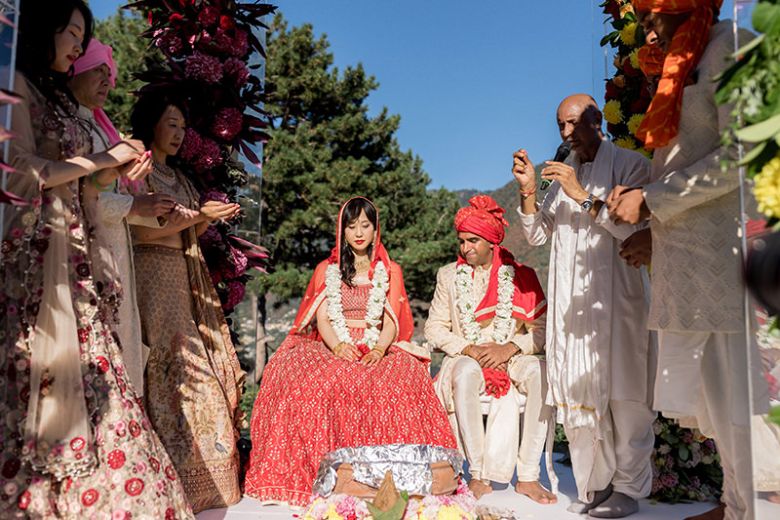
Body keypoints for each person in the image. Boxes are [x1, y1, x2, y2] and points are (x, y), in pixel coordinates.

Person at [0, 1, 192, 517]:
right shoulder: (16, 86)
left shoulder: (58, 100)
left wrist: (112, 173)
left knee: (100, 378)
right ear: (46, 28)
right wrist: (107, 161)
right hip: (38, 258)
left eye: (85, 37)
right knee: (39, 380)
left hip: (81, 256)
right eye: (73, 32)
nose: (79, 45)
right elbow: (19, 171)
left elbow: (89, 187)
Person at [607, 2, 758, 518]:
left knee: (742, 397)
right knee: (716, 398)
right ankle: (735, 501)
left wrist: (652, 201)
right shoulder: (682, 62)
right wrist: (654, 225)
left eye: (654, 14)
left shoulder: (731, 46)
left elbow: (744, 152)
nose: (647, 27)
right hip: (692, 260)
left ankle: (754, 506)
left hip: (730, 259)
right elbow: (688, 160)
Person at [244, 196, 457, 507]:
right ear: (342, 230)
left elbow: (391, 322)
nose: (359, 232)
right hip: (334, 344)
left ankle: (389, 476)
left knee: (402, 380)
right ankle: (317, 475)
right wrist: (339, 345)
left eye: (365, 226)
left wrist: (379, 349)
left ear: (375, 230)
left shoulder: (390, 270)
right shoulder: (325, 269)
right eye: (352, 225)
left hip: (377, 345)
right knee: (311, 385)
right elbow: (323, 318)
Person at [515, 95, 656, 517]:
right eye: (559, 125)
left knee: (627, 397)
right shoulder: (559, 177)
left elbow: (635, 231)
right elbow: (537, 236)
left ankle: (629, 488)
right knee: (577, 394)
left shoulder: (632, 166)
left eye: (573, 123)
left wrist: (580, 195)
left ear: (598, 120)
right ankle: (594, 483)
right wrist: (527, 192)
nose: (565, 134)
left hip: (618, 301)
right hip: (570, 309)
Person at [129, 92, 245, 513]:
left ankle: (205, 484)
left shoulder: (180, 179)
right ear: (151, 124)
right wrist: (202, 216)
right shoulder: (136, 172)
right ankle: (168, 480)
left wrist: (202, 217)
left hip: (181, 275)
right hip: (148, 275)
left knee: (198, 373)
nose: (178, 133)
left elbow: (184, 233)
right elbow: (143, 232)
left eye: (182, 126)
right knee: (166, 367)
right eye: (171, 123)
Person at [424, 195, 556, 504]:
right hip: (465, 356)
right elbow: (434, 328)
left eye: (473, 241)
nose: (465, 248)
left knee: (541, 373)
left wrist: (509, 347)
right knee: (468, 373)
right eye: (462, 241)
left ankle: (528, 477)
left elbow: (543, 329)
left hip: (510, 355)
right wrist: (468, 348)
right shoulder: (448, 276)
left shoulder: (521, 277)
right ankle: (478, 473)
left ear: (492, 244)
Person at [69, 38, 176, 396]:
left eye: (108, 73)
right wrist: (133, 206)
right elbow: (76, 196)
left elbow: (112, 194)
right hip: (84, 253)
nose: (107, 80)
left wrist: (149, 206)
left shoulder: (103, 128)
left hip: (115, 253)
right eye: (97, 70)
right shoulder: (69, 126)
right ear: (74, 69)